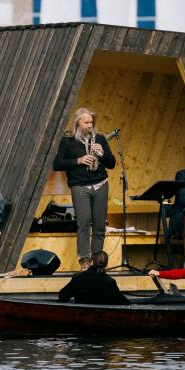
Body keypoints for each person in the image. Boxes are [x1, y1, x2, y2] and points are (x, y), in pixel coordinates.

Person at [53, 107, 116, 263]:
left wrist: (103, 153)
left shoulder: (100, 139)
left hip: (100, 184)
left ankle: (97, 262)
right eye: (86, 122)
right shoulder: (67, 141)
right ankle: (84, 261)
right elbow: (57, 164)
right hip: (80, 186)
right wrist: (78, 161)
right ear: (78, 123)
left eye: (91, 122)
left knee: (100, 226)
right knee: (83, 224)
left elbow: (112, 164)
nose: (89, 125)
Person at [57, 250, 128, 305]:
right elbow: (123, 302)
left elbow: (62, 295)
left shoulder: (78, 277)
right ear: (106, 264)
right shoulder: (109, 282)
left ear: (92, 262)